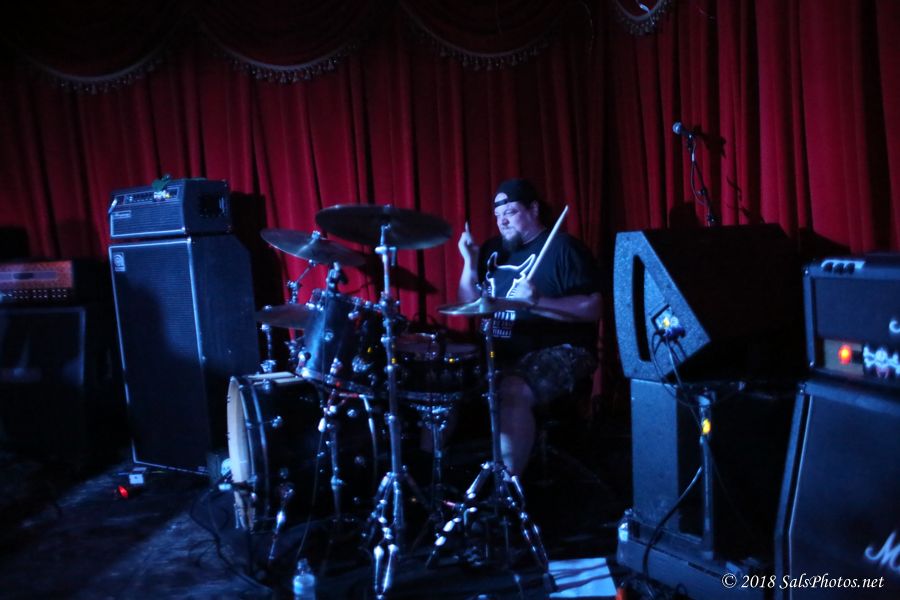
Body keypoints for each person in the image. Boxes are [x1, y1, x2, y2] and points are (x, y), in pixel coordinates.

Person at [457, 178, 603, 477]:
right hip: (501, 352)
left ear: (534, 209)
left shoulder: (562, 248)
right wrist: (469, 262)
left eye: (510, 211)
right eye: (498, 215)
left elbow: (593, 307)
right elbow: (468, 304)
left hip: (561, 350)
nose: (502, 220)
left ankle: (507, 491)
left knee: (512, 390)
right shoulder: (493, 250)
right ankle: (434, 481)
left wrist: (537, 301)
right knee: (441, 385)